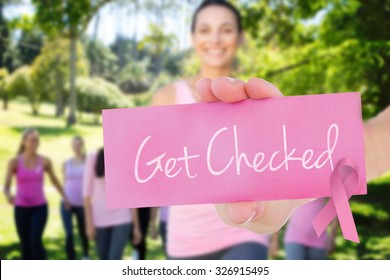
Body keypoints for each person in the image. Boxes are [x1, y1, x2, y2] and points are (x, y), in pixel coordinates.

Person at [153, 0, 270, 260]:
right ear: (193, 38)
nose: (215, 39)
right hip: (187, 239)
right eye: (205, 30)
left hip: (246, 232)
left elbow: (271, 171)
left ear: (240, 37)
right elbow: (150, 170)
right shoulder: (167, 96)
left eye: (226, 30)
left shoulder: (258, 95)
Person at [3, 128, 71, 260]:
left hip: (39, 207)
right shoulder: (15, 162)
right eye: (32, 140)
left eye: (37, 140)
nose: (35, 143)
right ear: (24, 142)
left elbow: (54, 180)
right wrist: (8, 195)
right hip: (21, 208)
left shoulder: (44, 161)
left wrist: (66, 198)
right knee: (25, 244)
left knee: (35, 240)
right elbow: (6, 185)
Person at [83, 148, 142, 260]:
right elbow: (87, 193)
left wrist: (136, 227)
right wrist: (89, 224)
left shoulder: (126, 156)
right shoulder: (93, 156)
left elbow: (131, 194)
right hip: (99, 219)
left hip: (122, 217)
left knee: (114, 259)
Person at [60, 136, 89, 260]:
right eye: (74, 145)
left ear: (82, 146)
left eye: (79, 145)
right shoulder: (66, 163)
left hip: (82, 204)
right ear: (72, 147)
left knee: (83, 231)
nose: (76, 147)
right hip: (67, 203)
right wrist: (65, 199)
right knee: (69, 233)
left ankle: (86, 255)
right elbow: (64, 182)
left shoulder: (88, 162)